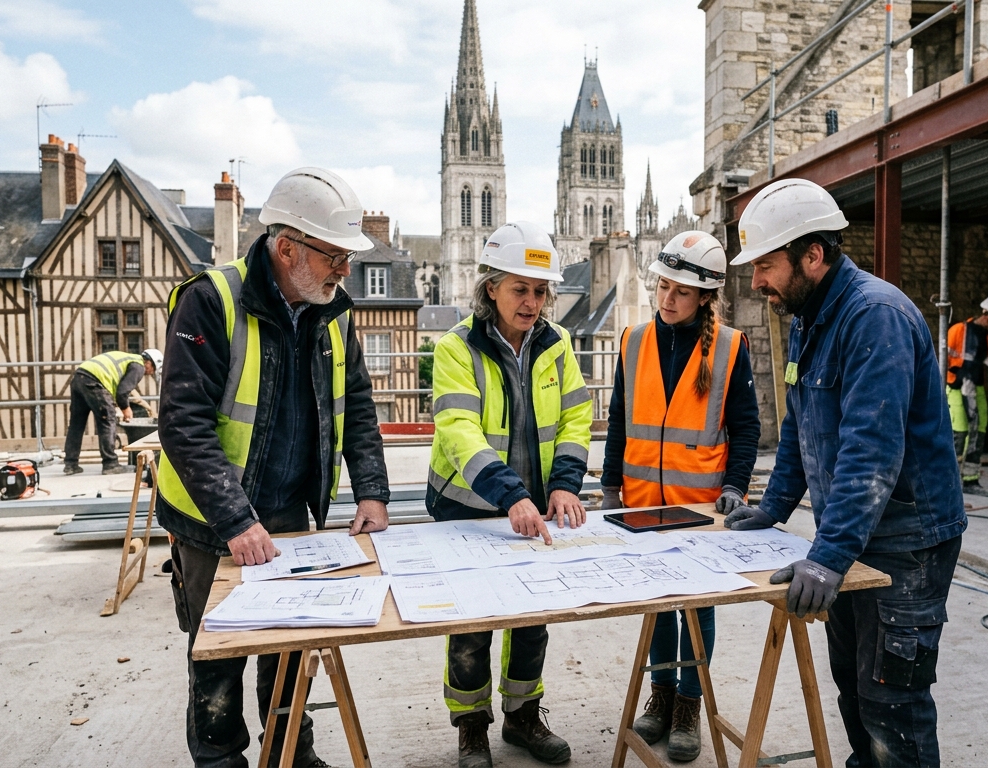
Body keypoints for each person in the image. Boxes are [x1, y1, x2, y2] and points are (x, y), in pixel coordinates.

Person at [156, 167, 392, 768]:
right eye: (335, 256)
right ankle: (220, 761)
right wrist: (236, 520)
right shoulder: (210, 300)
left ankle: (291, 753)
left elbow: (357, 403)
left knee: (289, 649)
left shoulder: (331, 311)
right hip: (211, 521)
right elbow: (183, 423)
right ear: (288, 249)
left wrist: (371, 490)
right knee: (219, 652)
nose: (345, 270)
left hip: (289, 510)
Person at [731, 177, 967, 767]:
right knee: (853, 689)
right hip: (855, 534)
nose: (756, 282)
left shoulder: (874, 317)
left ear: (812, 255)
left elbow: (872, 450)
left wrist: (829, 555)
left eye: (764, 265)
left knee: (892, 701)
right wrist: (772, 509)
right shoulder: (810, 317)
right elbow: (799, 429)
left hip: (907, 543)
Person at [427, 221, 592, 768]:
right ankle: (471, 727)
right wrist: (510, 494)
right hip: (469, 506)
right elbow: (459, 431)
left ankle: (522, 717)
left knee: (532, 619)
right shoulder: (456, 347)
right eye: (520, 289)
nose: (532, 302)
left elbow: (575, 417)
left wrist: (563, 485)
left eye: (540, 291)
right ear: (491, 287)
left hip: (533, 508)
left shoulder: (557, 343)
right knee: (471, 626)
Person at [599, 230, 760, 762]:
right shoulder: (634, 341)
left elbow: (746, 427)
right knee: (660, 607)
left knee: (697, 608)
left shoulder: (729, 347)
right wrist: (609, 488)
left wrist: (735, 487)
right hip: (643, 503)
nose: (667, 298)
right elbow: (619, 421)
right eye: (663, 286)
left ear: (705, 297)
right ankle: (661, 695)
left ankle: (690, 704)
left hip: (699, 507)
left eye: (681, 291)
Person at [946, 296, 988, 497]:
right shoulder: (958, 330)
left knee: (979, 432)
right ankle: (950, 482)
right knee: (960, 433)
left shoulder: (987, 336)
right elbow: (944, 356)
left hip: (977, 386)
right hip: (957, 386)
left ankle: (970, 480)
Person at [63, 348, 162, 475]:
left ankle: (70, 464)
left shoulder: (128, 359)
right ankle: (110, 464)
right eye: (152, 370)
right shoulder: (139, 366)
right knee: (108, 420)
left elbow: (119, 389)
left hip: (79, 377)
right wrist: (126, 409)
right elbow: (122, 392)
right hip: (95, 381)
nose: (149, 373)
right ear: (149, 362)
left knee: (76, 424)